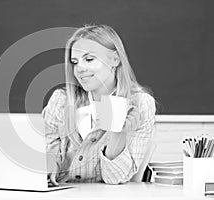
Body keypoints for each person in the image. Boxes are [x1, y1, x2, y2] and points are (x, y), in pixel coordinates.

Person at [42, 24, 156, 185]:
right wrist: (48, 164)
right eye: (75, 62)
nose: (79, 68)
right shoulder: (61, 100)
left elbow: (115, 178)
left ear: (115, 59)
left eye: (89, 59)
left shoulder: (140, 104)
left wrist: (118, 133)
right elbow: (48, 154)